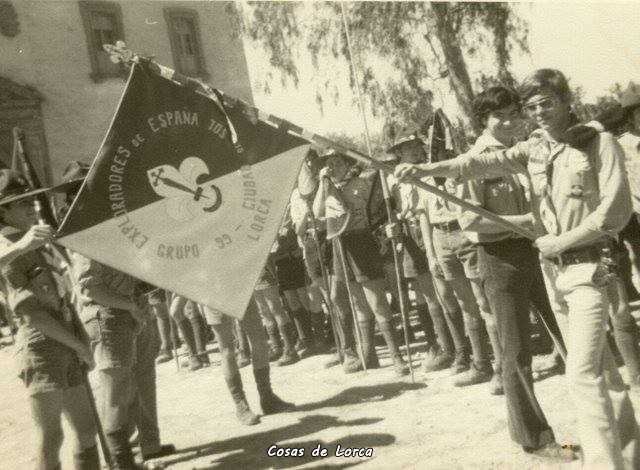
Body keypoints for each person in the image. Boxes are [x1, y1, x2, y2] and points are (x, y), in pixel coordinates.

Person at [395, 68, 640, 468]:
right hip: (550, 272)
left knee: (581, 374)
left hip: (589, 269)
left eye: (546, 103)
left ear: (565, 102)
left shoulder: (600, 144)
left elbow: (614, 212)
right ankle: (629, 454)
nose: (538, 113)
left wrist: (558, 239)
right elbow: (474, 166)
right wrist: (424, 171)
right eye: (532, 106)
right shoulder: (536, 150)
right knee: (602, 371)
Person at [457, 86, 572, 459]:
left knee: (569, 332)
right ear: (484, 121)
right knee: (517, 350)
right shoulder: (475, 160)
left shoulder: (528, 148)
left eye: (512, 113)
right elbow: (469, 219)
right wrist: (522, 220)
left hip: (542, 250)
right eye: (498, 116)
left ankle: (599, 420)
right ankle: (534, 438)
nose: (508, 121)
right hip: (500, 257)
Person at [0, 169, 98, 470]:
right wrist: (78, 345)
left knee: (86, 429)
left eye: (32, 200)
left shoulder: (38, 241)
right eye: (23, 203)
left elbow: (64, 299)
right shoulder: (10, 249)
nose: (33, 207)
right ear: (3, 211)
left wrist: (82, 340)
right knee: (52, 436)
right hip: (41, 348)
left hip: (66, 338)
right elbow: (32, 315)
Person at [314, 150, 409, 376]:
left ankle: (397, 357)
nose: (333, 167)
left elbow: (378, 211)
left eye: (337, 162)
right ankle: (369, 355)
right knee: (357, 304)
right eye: (329, 164)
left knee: (377, 302)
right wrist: (321, 183)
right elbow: (317, 212)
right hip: (339, 246)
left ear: (347, 165)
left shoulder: (362, 184)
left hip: (362, 242)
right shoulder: (326, 189)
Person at [385, 128, 460, 374]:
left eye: (418, 145)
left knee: (446, 290)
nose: (416, 150)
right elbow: (393, 209)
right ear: (399, 153)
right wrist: (393, 222)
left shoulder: (431, 171)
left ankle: (458, 347)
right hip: (410, 235)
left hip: (433, 229)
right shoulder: (391, 179)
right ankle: (437, 345)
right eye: (409, 147)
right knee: (425, 294)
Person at [201, 298, 295, 425]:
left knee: (260, 342)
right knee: (227, 349)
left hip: (241, 289)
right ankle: (241, 405)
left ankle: (267, 398)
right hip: (212, 294)